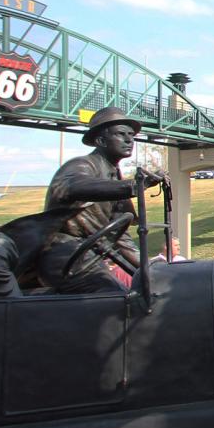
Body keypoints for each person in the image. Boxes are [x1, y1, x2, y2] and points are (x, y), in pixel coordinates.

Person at [40, 107, 162, 293]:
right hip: (65, 256)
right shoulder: (81, 165)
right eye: (121, 134)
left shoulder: (113, 175)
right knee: (115, 299)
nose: (130, 140)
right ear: (101, 140)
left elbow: (121, 237)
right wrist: (133, 185)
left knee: (138, 296)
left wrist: (152, 268)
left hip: (87, 255)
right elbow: (71, 186)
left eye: (131, 135)